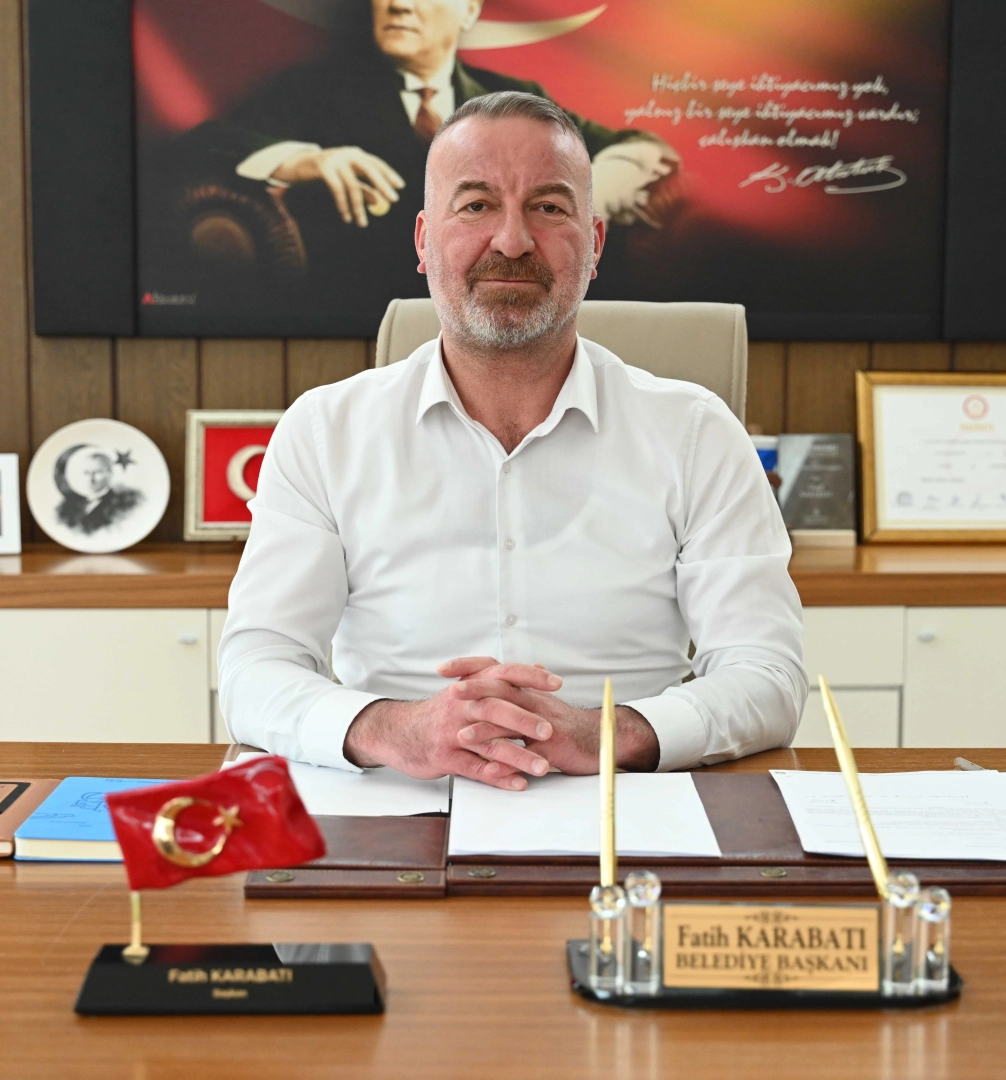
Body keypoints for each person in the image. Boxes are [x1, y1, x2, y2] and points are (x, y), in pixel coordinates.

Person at [218, 91, 804, 789]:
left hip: (626, 806)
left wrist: (605, 734)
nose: (512, 241)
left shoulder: (698, 433)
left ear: (595, 244)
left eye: (549, 208)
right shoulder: (324, 432)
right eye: (476, 205)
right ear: (422, 241)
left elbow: (767, 674)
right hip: (398, 805)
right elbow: (256, 669)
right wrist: (398, 731)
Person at [166, 0, 674, 316]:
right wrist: (303, 160)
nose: (396, 5)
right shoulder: (313, 91)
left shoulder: (514, 98)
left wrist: (587, 194)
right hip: (354, 310)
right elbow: (200, 143)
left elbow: (641, 147)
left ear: (469, 10)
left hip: (498, 312)